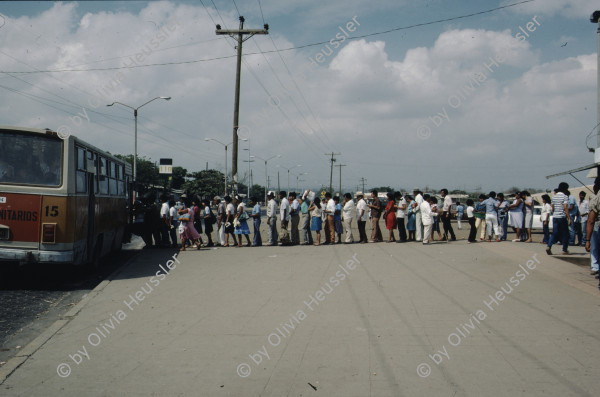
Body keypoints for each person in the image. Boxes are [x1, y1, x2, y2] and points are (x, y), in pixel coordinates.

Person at [546, 182, 572, 255]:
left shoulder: (554, 196)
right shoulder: (565, 196)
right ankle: (564, 249)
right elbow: (565, 207)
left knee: (555, 232)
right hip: (562, 217)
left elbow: (553, 207)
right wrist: (569, 218)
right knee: (565, 233)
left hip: (555, 216)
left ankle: (549, 246)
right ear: (565, 189)